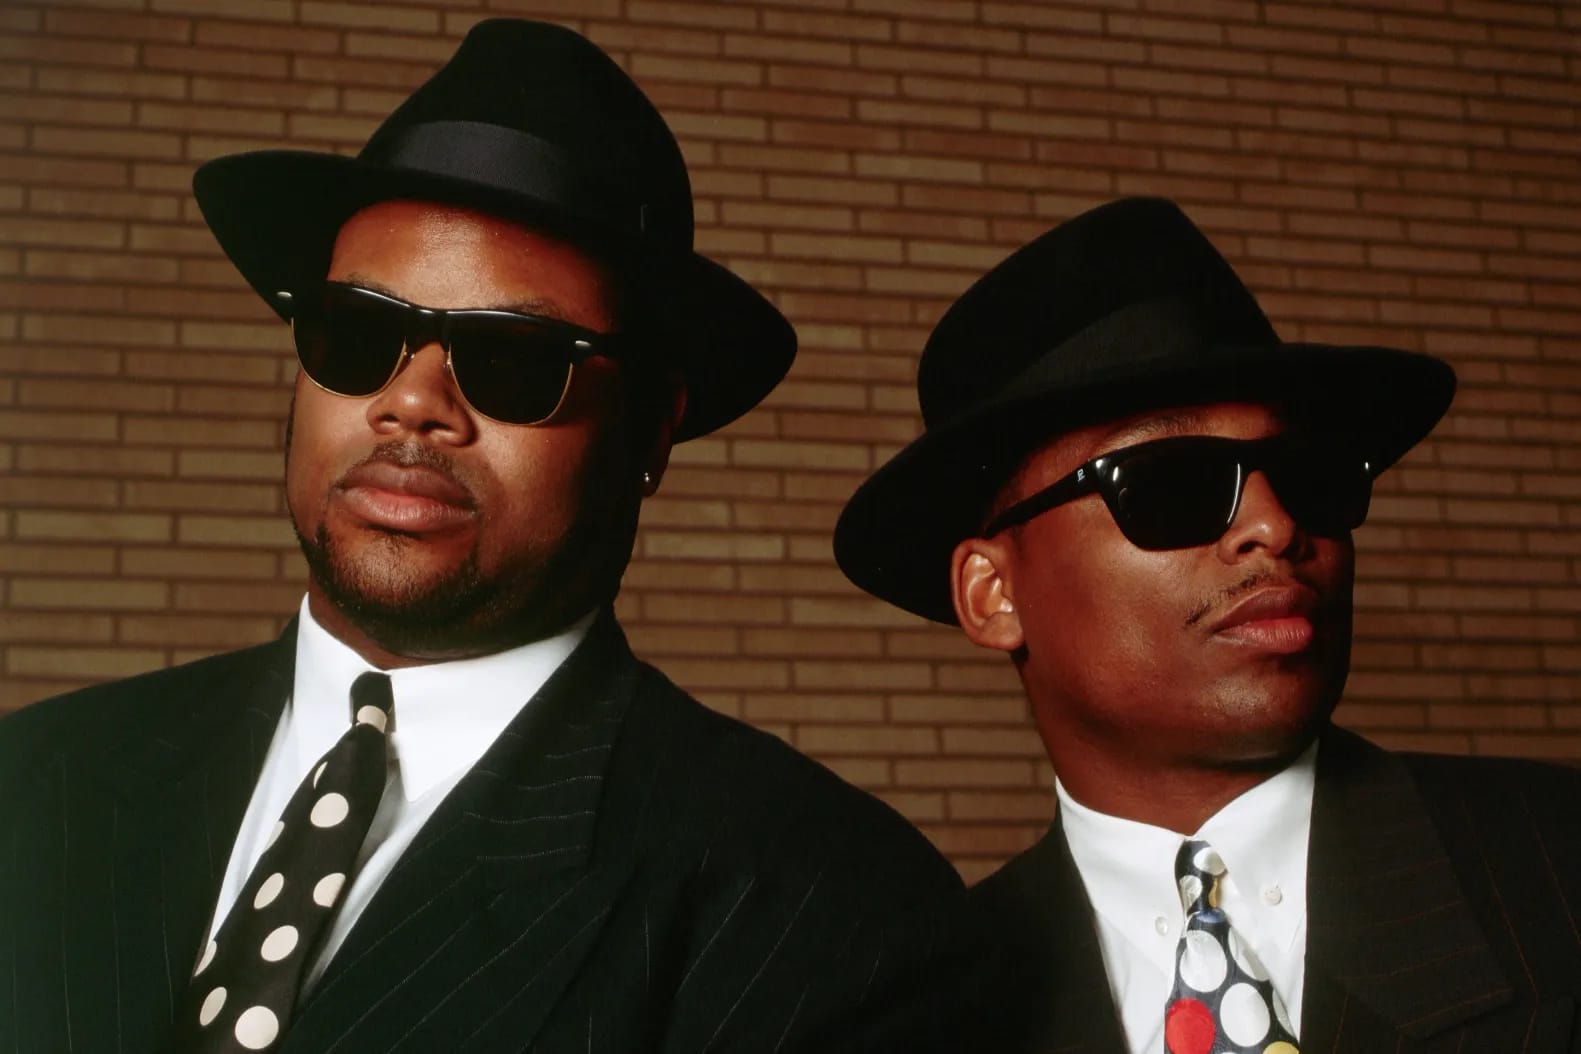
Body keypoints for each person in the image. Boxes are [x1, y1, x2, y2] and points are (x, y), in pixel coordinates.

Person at [0, 20, 966, 1053]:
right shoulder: (34, 781)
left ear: (651, 431)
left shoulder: (823, 906)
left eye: (514, 357)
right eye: (357, 334)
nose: (411, 403)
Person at [835, 197, 1581, 1053]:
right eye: (1172, 484)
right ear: (992, 593)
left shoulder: (1554, 865)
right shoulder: (912, 1003)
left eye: (1309, 475)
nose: (1272, 523)